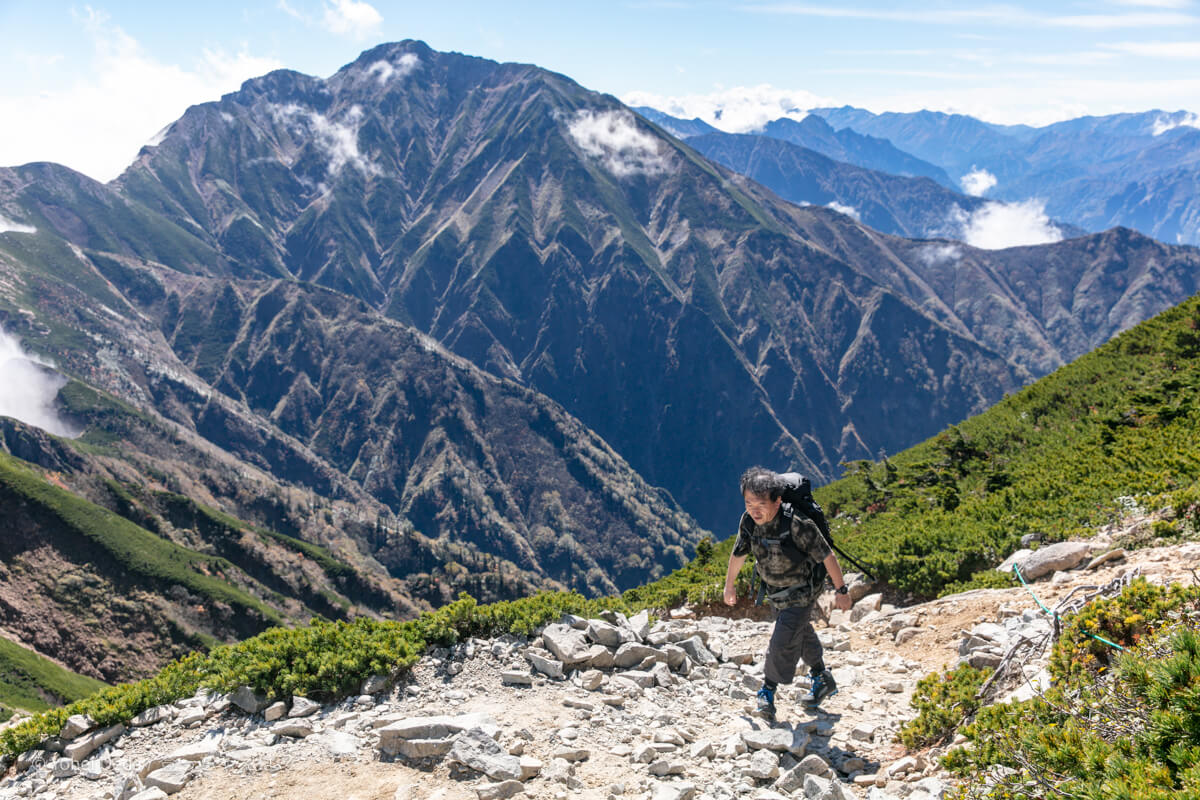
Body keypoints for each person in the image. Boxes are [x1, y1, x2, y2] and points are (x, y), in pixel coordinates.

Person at [723, 466, 854, 720]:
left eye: (761, 503)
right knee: (800, 631)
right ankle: (821, 677)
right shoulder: (749, 522)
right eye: (749, 502)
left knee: (781, 641)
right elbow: (739, 553)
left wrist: (842, 590)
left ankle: (767, 691)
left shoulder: (797, 524)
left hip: (802, 591)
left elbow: (827, 555)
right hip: (775, 591)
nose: (754, 509)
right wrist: (729, 586)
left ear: (777, 500)